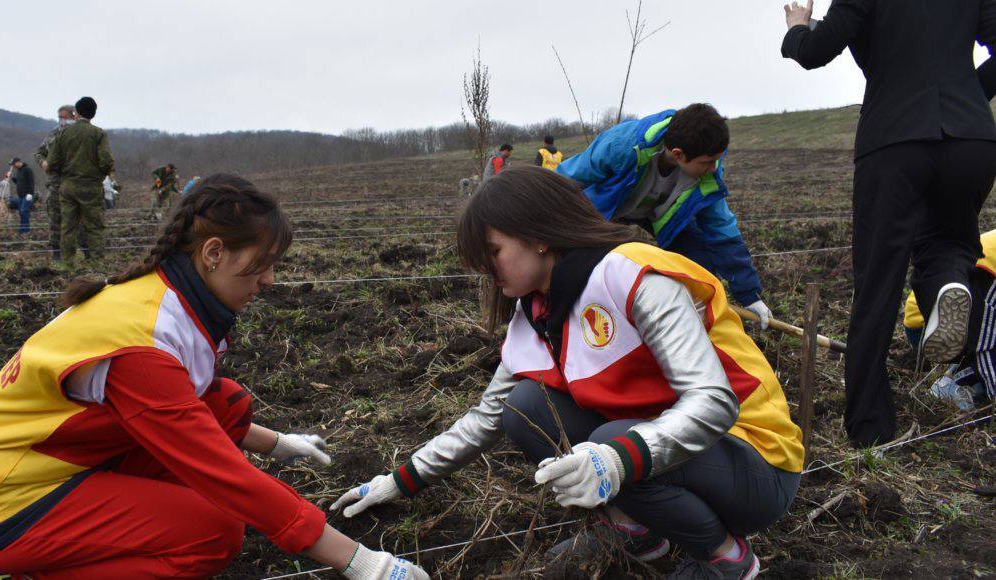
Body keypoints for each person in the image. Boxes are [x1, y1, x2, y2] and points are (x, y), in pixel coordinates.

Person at [0, 174, 429, 580]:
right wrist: (363, 562)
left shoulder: (165, 298)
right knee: (211, 533)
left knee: (226, 403)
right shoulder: (141, 345)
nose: (270, 280)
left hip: (41, 465)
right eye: (262, 264)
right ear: (213, 254)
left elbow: (201, 407)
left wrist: (280, 443)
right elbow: (216, 466)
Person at [333, 167, 803, 580]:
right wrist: (400, 479)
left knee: (616, 437)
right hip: (669, 451)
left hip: (755, 462)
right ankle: (635, 532)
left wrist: (619, 458)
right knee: (525, 408)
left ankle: (724, 558)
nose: (482, 267)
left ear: (538, 235)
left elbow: (714, 403)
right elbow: (487, 418)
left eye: (492, 250)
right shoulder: (536, 316)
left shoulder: (635, 277)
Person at [781, 0, 996, 447]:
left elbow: (816, 51)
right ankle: (943, 288)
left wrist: (796, 29)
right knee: (950, 242)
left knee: (878, 281)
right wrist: (970, 93)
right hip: (971, 141)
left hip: (894, 140)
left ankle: (871, 427)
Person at [556, 104, 773, 329]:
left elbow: (722, 231)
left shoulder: (708, 174)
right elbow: (567, 178)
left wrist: (750, 296)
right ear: (678, 154)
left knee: (699, 264)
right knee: (582, 263)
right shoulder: (622, 144)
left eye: (716, 160)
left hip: (658, 215)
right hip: (608, 209)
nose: (713, 168)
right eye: (707, 162)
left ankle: (694, 324)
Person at [902, 229, 996, 411]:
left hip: (970, 308)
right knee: (987, 342)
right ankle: (957, 383)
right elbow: (985, 338)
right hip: (931, 323)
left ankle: (968, 375)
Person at [45, 96, 115, 263]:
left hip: (68, 187)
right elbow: (106, 162)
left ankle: (67, 262)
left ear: (76, 113)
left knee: (68, 226)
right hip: (91, 187)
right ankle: (97, 262)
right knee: (94, 227)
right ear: (93, 115)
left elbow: (52, 162)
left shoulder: (63, 134)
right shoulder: (99, 134)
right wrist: (99, 176)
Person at [36, 104, 76, 259]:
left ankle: (81, 253)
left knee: (78, 222)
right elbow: (39, 153)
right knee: (55, 219)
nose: (62, 121)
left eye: (64, 117)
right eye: (59, 117)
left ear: (74, 116)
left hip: (75, 183)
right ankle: (57, 255)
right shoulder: (54, 133)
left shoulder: (80, 134)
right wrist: (43, 162)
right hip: (55, 184)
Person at [9, 158, 36, 235]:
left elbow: (31, 182)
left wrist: (30, 194)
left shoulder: (27, 170)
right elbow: (18, 182)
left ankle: (26, 230)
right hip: (20, 195)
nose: (13, 166)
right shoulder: (19, 171)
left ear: (18, 162)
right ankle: (22, 230)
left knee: (24, 211)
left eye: (14, 164)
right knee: (21, 212)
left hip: (27, 195)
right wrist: (12, 178)